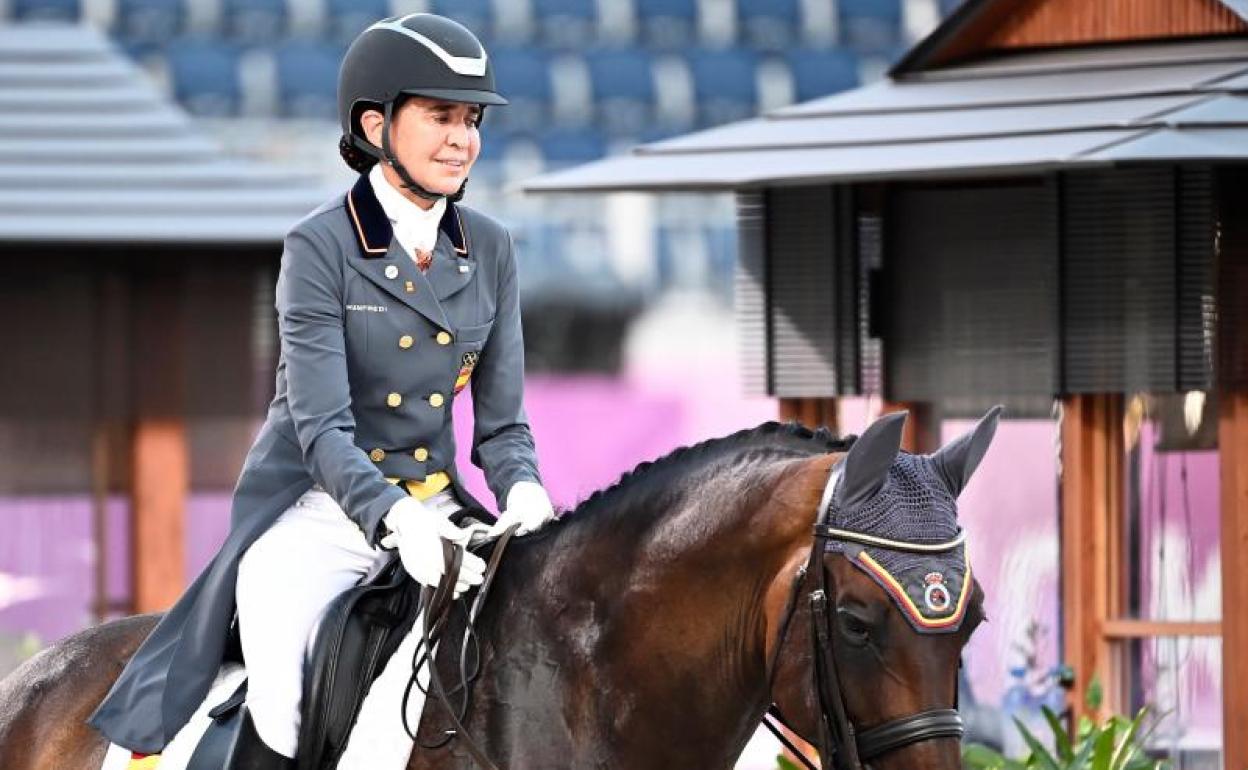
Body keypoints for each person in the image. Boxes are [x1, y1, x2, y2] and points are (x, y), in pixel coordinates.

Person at [88, 13, 554, 769]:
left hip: (439, 503)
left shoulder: (491, 247)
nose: (462, 138)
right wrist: (394, 519)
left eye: (471, 120)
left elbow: (501, 426)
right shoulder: (321, 246)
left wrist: (525, 489)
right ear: (376, 123)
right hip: (323, 507)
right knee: (286, 691)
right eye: (440, 116)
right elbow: (322, 429)